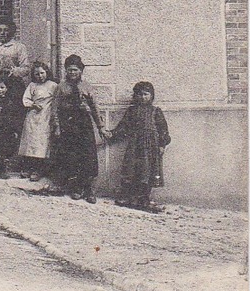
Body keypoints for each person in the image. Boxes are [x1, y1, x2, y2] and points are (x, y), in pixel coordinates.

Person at [51, 55, 105, 203]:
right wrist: (57, 127)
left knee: (88, 157)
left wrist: (100, 127)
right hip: (68, 125)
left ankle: (89, 190)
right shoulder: (61, 87)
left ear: (81, 70)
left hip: (84, 125)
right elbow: (55, 109)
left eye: (75, 70)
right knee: (72, 157)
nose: (72, 73)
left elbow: (95, 108)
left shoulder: (87, 86)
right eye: (69, 70)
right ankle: (76, 188)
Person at [109, 81, 170, 212]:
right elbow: (123, 126)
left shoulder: (156, 111)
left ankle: (144, 198)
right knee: (131, 169)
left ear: (151, 96)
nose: (143, 97)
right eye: (140, 95)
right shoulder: (131, 111)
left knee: (147, 171)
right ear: (135, 96)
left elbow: (163, 129)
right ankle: (130, 197)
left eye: (146, 94)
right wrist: (112, 134)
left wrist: (162, 144)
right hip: (135, 145)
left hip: (150, 147)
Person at [17, 62, 57, 182]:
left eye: (42, 73)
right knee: (31, 142)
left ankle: (39, 170)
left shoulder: (53, 85)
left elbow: (57, 100)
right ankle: (30, 167)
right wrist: (33, 105)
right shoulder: (32, 85)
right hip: (33, 116)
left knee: (42, 143)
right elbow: (25, 99)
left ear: (47, 72)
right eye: (37, 74)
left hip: (46, 116)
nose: (40, 76)